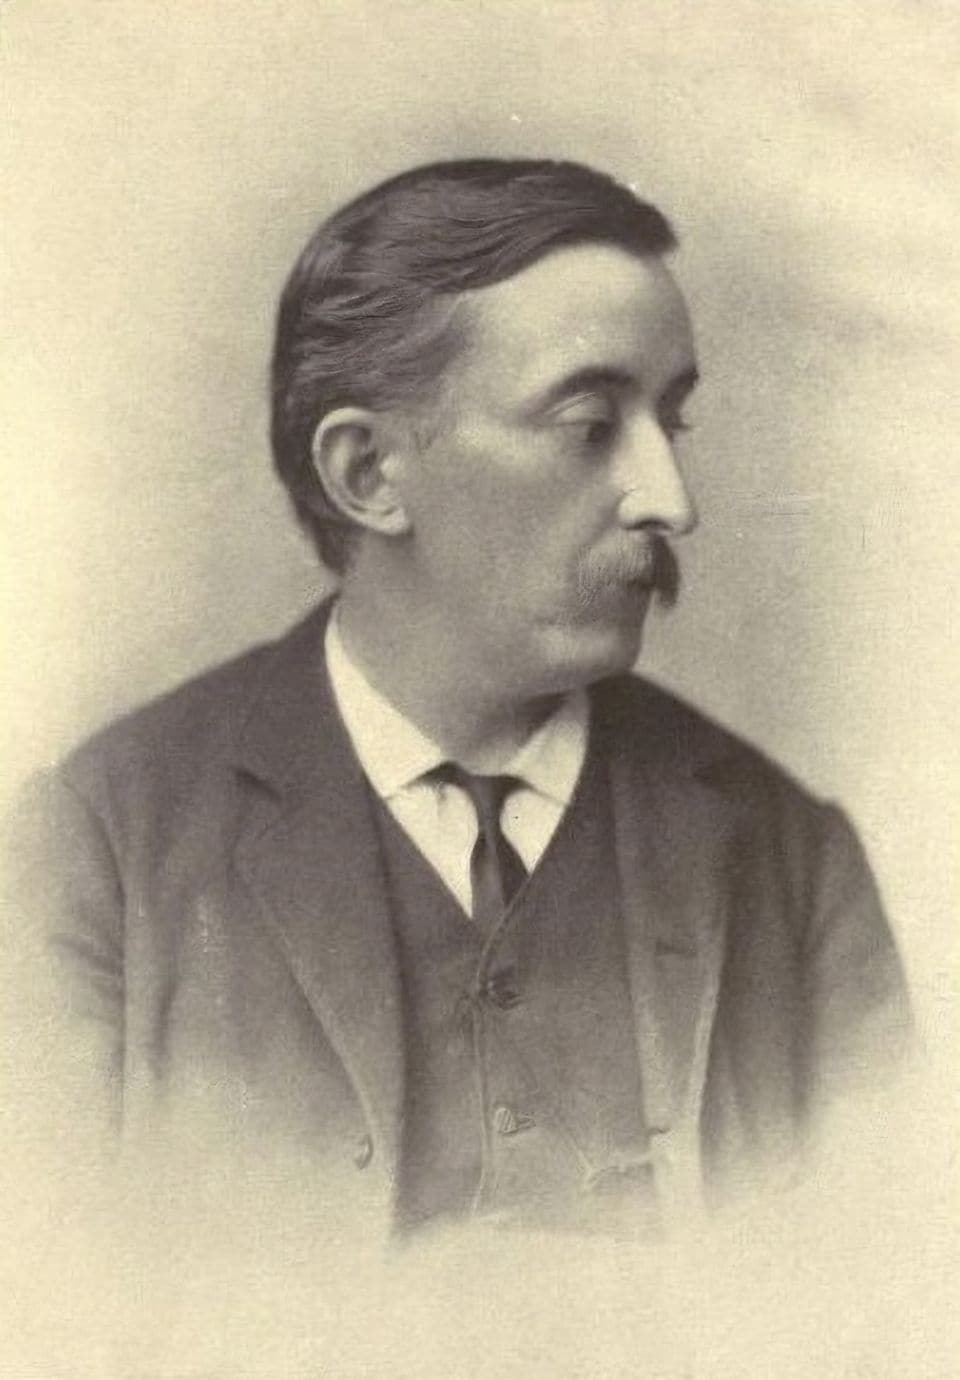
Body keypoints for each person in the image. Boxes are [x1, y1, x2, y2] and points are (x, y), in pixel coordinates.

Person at [2, 159, 912, 1248]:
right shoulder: (100, 854)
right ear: (367, 473)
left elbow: (879, 1287)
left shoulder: (794, 861)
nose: (673, 503)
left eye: (670, 423)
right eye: (589, 426)